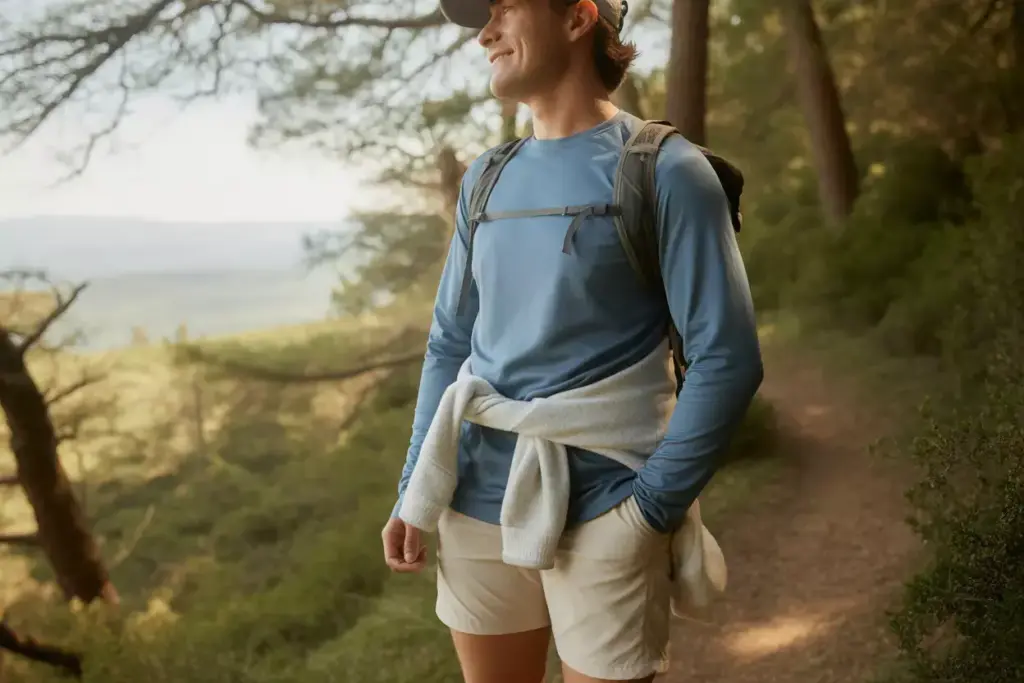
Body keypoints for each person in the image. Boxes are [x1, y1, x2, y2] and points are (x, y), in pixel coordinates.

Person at [380, 0, 764, 681]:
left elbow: (727, 357)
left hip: (607, 507)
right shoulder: (485, 179)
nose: (486, 32)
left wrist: (650, 509)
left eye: (505, 8)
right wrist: (415, 486)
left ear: (579, 17)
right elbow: (449, 343)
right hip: (474, 503)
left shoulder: (668, 171)